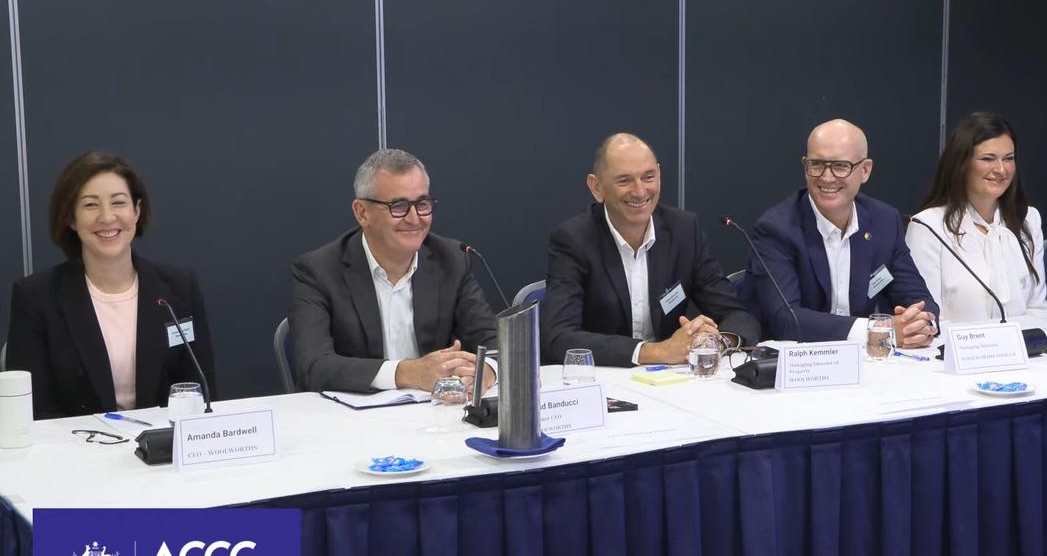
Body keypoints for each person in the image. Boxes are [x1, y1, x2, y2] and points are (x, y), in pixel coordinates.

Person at [6, 152, 216, 420]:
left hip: (167, 449)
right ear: (71, 218)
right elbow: (31, 412)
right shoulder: (36, 298)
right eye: (91, 205)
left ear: (136, 211)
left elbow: (204, 393)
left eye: (118, 202)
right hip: (79, 451)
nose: (107, 217)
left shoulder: (179, 289)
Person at [541, 133, 760, 367]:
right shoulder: (574, 239)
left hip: (670, 381)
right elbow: (558, 338)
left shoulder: (683, 230)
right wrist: (654, 352)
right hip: (604, 380)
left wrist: (715, 342)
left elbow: (739, 315)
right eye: (624, 180)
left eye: (648, 177)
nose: (640, 191)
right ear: (596, 188)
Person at [289, 148, 497, 393]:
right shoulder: (318, 271)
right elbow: (313, 366)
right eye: (398, 206)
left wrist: (486, 373)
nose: (414, 218)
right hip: (356, 421)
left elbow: (495, 343)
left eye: (422, 204)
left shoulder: (451, 260)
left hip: (435, 415)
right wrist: (407, 372)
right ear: (362, 213)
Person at [745, 119, 939, 344]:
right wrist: (877, 331)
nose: (827, 177)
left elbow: (918, 298)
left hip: (863, 363)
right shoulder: (776, 229)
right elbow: (787, 320)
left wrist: (923, 325)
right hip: (798, 364)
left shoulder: (884, 221)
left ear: (865, 170)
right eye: (817, 164)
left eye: (840, 166)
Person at [906, 113, 1047, 323]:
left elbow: (1039, 309)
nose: (1001, 169)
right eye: (988, 159)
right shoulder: (927, 226)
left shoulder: (1028, 219)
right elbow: (929, 320)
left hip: (1024, 349)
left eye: (1008, 158)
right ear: (961, 164)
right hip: (957, 351)